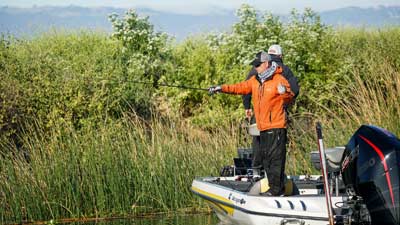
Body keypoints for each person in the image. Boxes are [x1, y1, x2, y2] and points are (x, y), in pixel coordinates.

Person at [209, 51, 294, 196]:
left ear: (266, 64)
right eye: (255, 65)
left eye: (258, 65)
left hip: (276, 126)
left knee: (276, 160)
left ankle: (276, 191)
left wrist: (284, 92)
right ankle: (274, 189)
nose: (256, 68)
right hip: (263, 128)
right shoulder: (255, 81)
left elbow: (290, 97)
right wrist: (221, 88)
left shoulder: (278, 79)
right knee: (266, 160)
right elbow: (239, 88)